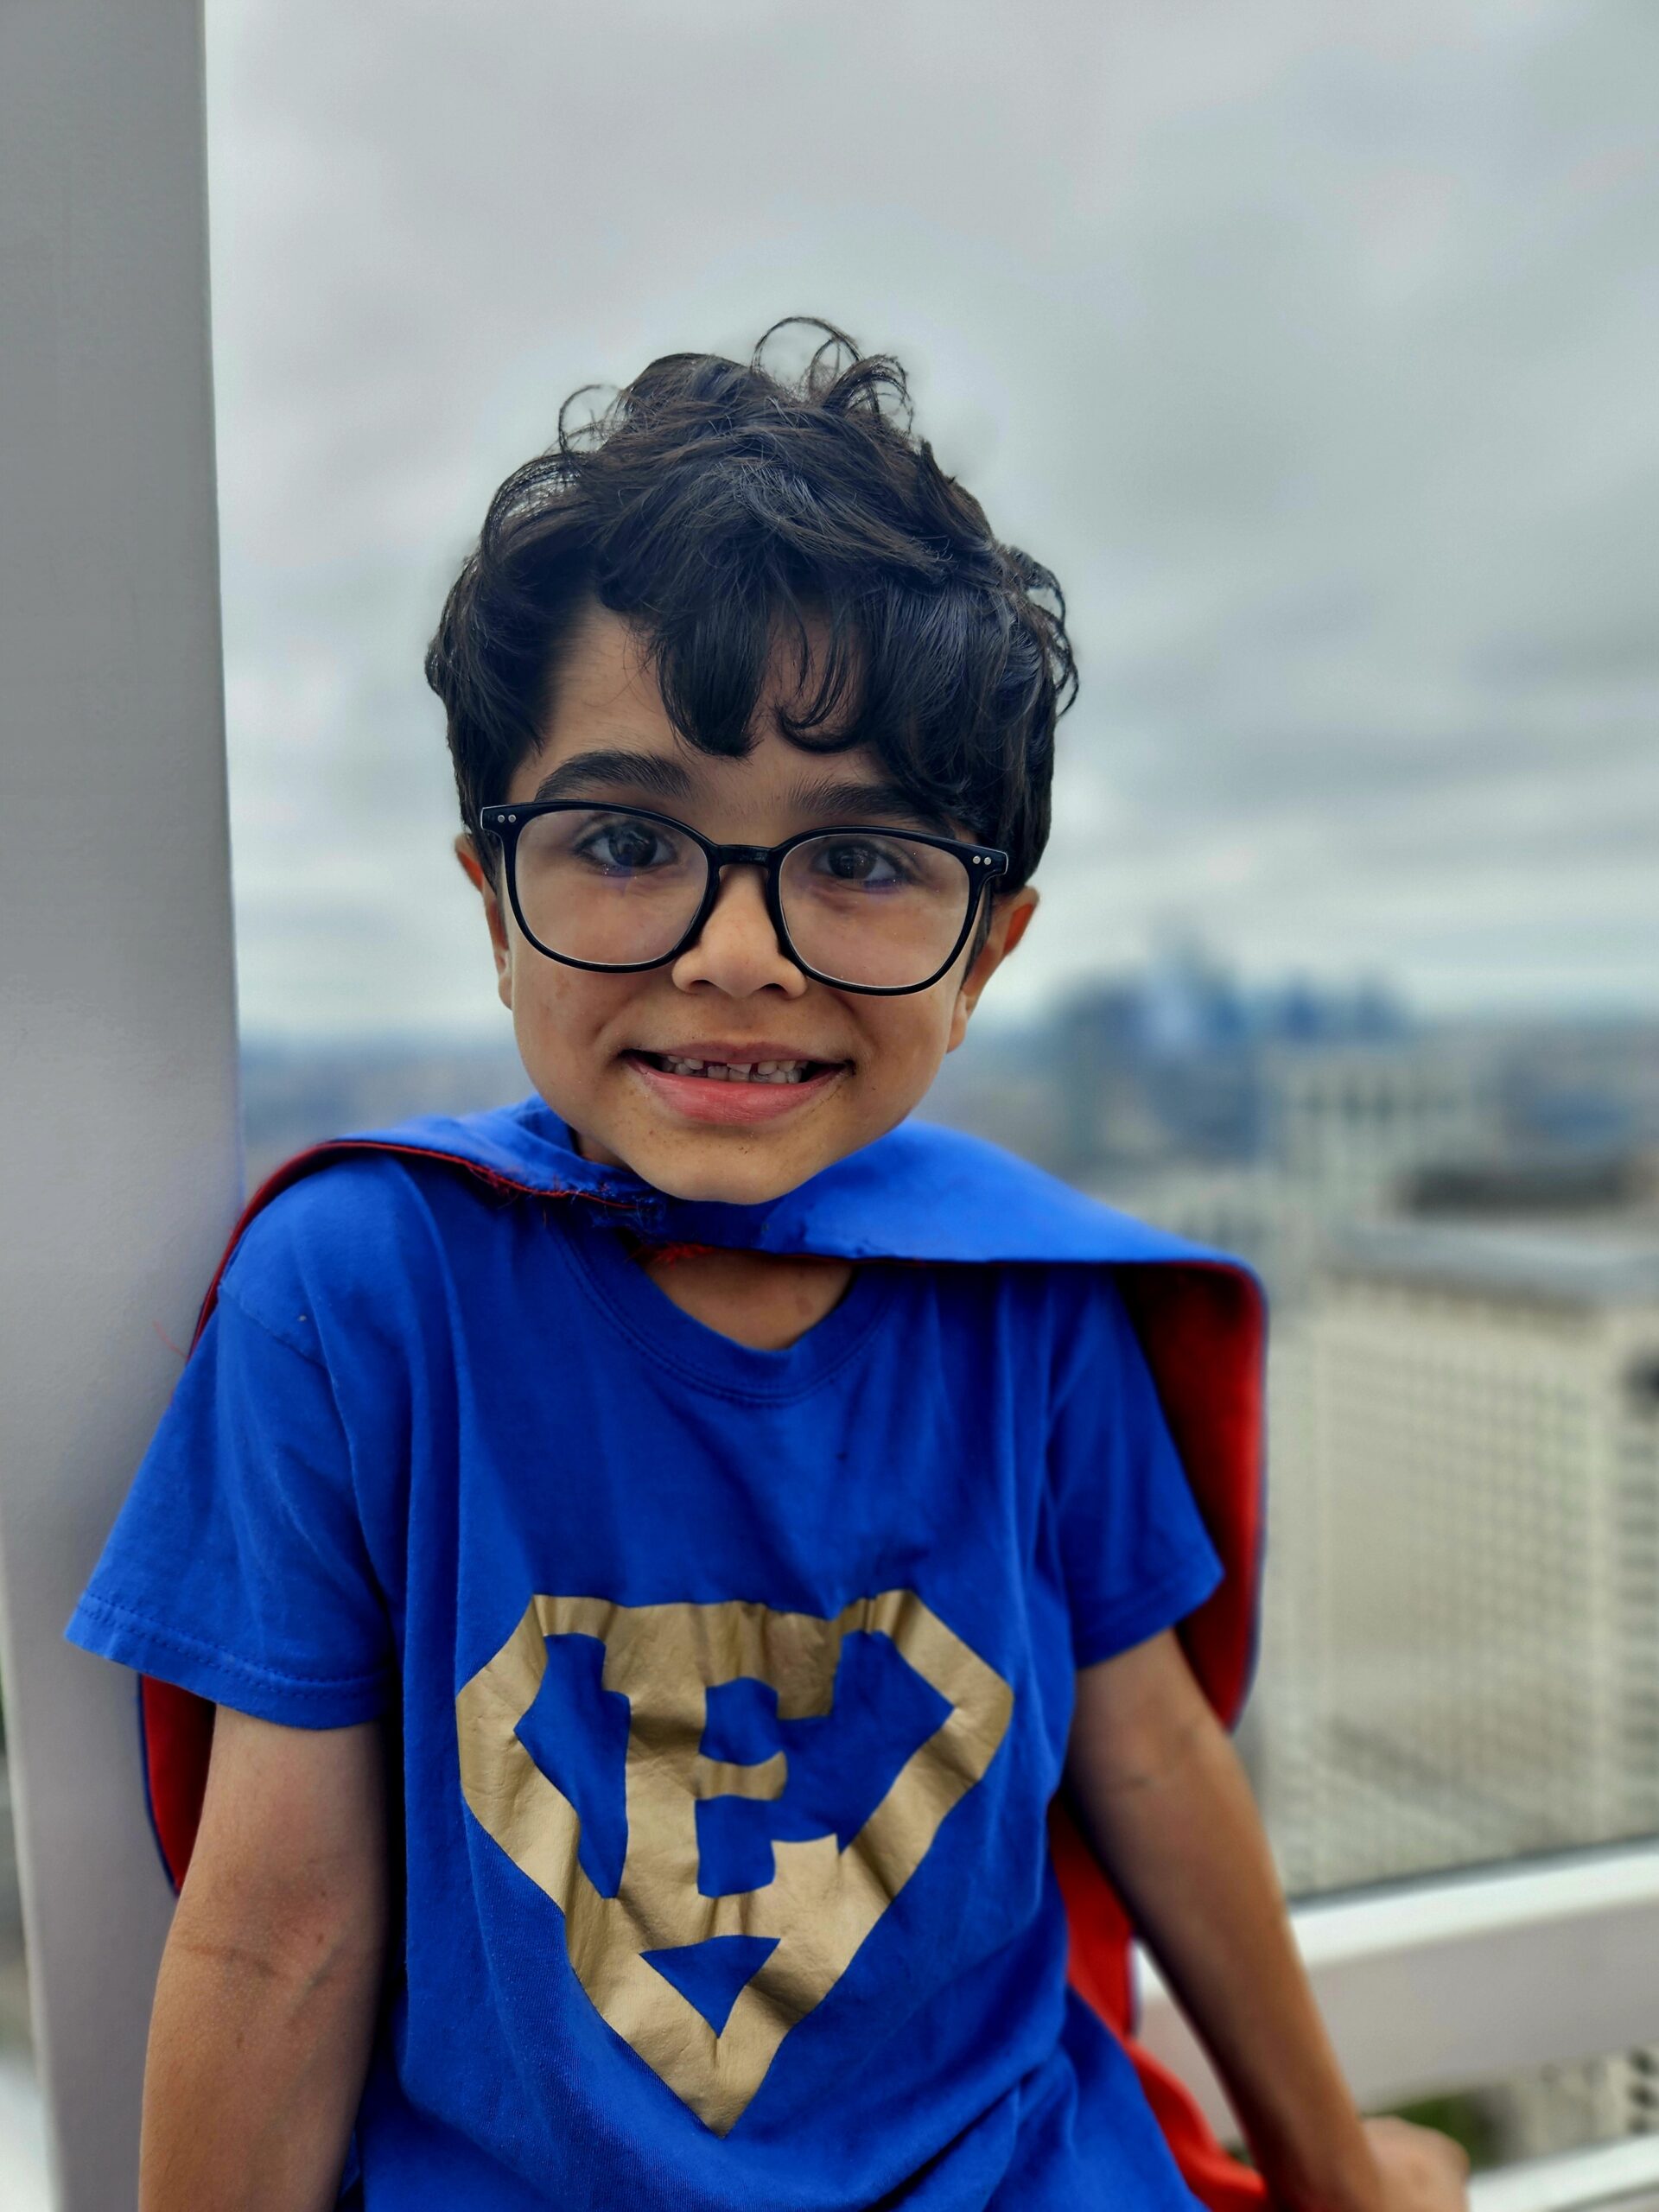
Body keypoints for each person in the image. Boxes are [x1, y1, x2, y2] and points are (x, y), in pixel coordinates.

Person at [65, 322, 1471, 2212]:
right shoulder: (364, 1293)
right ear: (495, 896)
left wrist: (1334, 2167)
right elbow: (277, 1931)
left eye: (864, 859)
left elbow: (1150, 1764)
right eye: (632, 839)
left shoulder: (1029, 1306)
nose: (740, 952)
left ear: (989, 950)